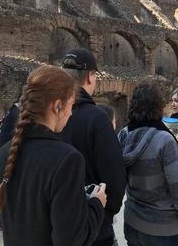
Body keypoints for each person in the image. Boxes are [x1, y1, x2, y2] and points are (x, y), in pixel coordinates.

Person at [0, 65, 107, 246]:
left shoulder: (2, 155)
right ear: (58, 106)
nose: (71, 113)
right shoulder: (67, 160)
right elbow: (71, 240)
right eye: (71, 106)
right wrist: (96, 205)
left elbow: (7, 220)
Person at [61, 48, 126, 246]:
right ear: (90, 76)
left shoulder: (51, 116)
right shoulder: (97, 118)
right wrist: (104, 212)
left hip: (59, 224)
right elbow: (115, 182)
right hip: (94, 226)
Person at [122, 82, 178, 246]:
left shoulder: (123, 135)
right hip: (164, 229)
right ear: (158, 106)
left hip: (133, 222)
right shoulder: (165, 140)